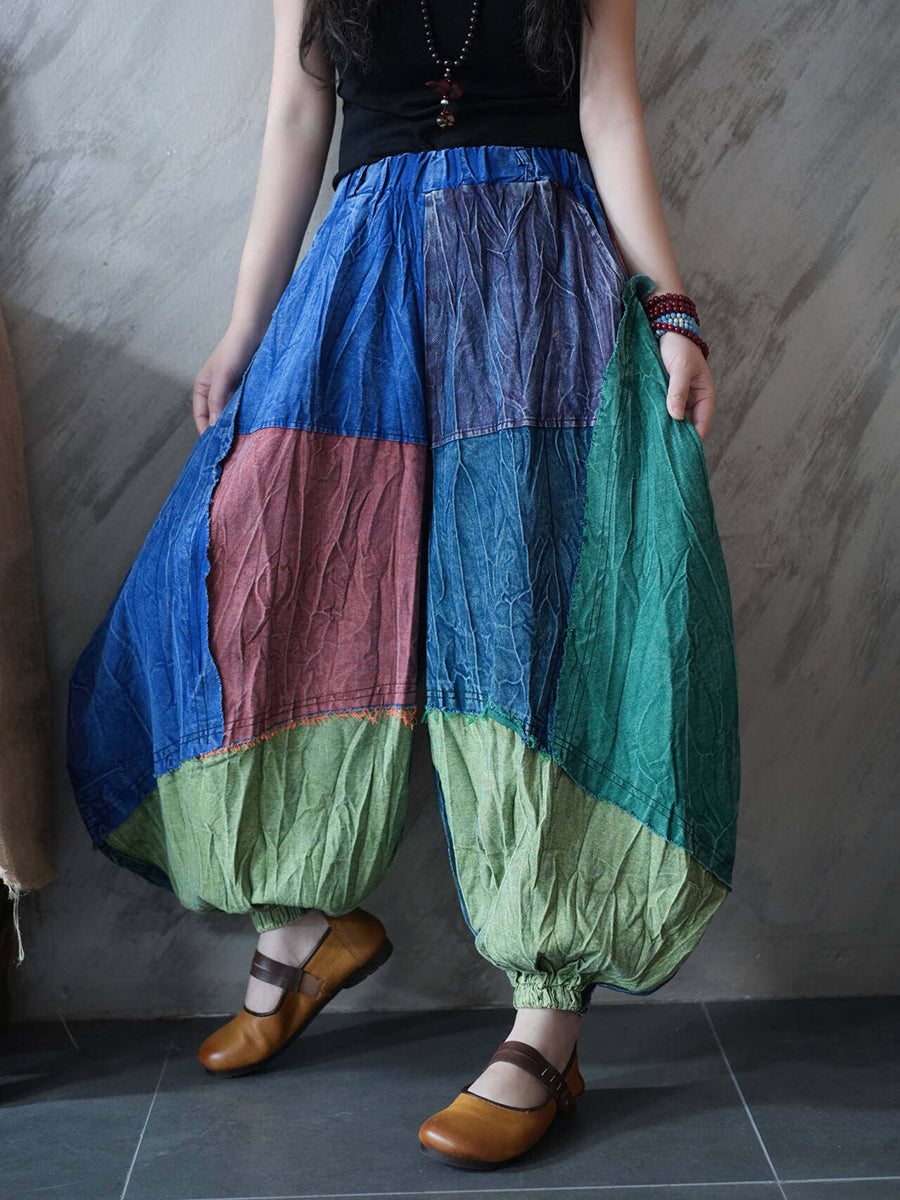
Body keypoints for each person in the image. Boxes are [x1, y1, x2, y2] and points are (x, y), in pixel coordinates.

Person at [67, 0, 740, 1172]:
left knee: (524, 635)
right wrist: (245, 326)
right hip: (363, 279)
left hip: (535, 283)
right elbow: (299, 110)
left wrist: (670, 307)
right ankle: (301, 926)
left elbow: (608, 107)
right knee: (274, 594)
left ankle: (548, 1019)